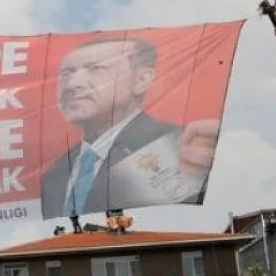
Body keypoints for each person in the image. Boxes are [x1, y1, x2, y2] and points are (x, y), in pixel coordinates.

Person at [39, 36, 217, 220]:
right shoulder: (55, 174)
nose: (73, 84)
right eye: (67, 73)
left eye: (96, 69)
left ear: (141, 80)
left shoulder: (183, 148)